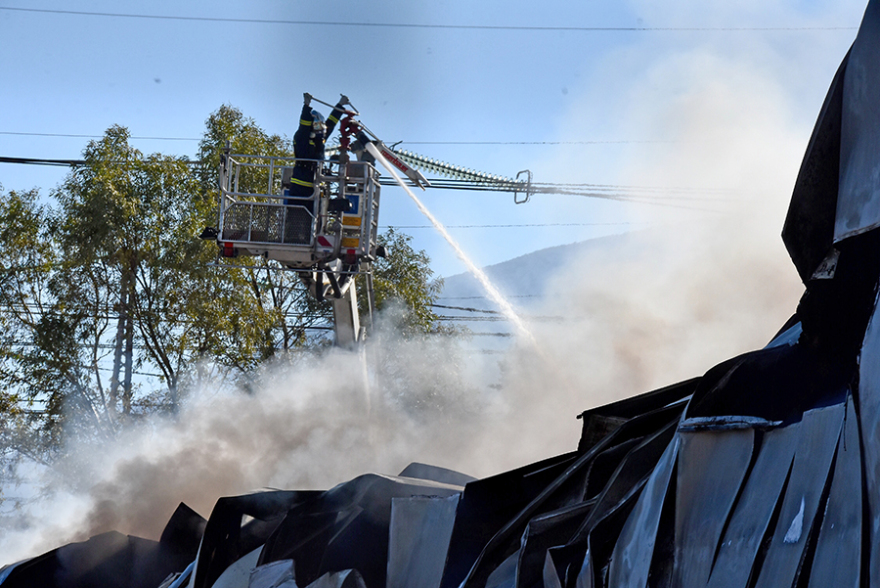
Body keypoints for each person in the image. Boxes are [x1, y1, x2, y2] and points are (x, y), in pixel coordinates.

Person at [284, 93, 349, 244]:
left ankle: (308, 240)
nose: (322, 130)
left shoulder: (320, 139)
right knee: (296, 216)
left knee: (313, 217)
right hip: (300, 185)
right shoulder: (301, 138)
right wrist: (306, 107)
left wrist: (340, 106)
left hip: (314, 186)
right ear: (312, 126)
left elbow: (331, 124)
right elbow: (303, 126)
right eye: (318, 126)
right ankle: (292, 239)